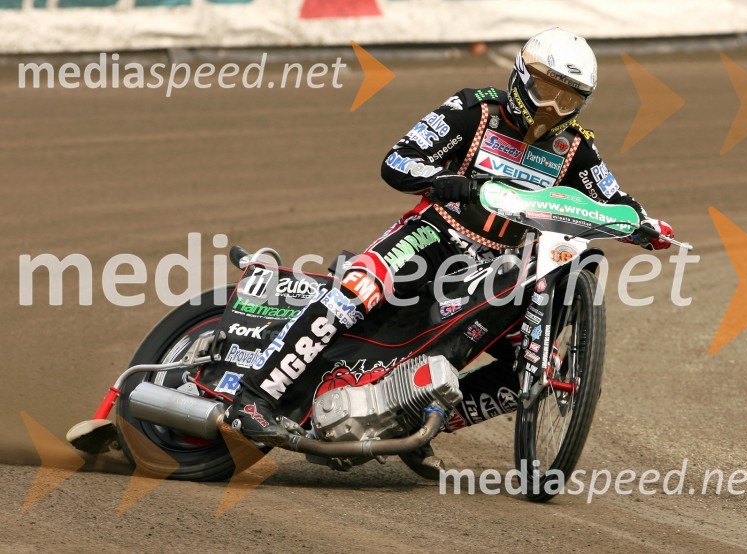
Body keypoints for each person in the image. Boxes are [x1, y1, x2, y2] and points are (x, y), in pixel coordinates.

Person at [224, 28, 674, 453]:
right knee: (357, 290)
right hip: (432, 235)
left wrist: (647, 226)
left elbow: (615, 199)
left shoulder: (576, 148)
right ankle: (252, 398)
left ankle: (410, 424)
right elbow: (398, 162)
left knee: (540, 366)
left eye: (568, 98)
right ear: (520, 77)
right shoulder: (473, 108)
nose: (552, 108)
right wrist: (445, 181)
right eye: (544, 89)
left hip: (496, 268)